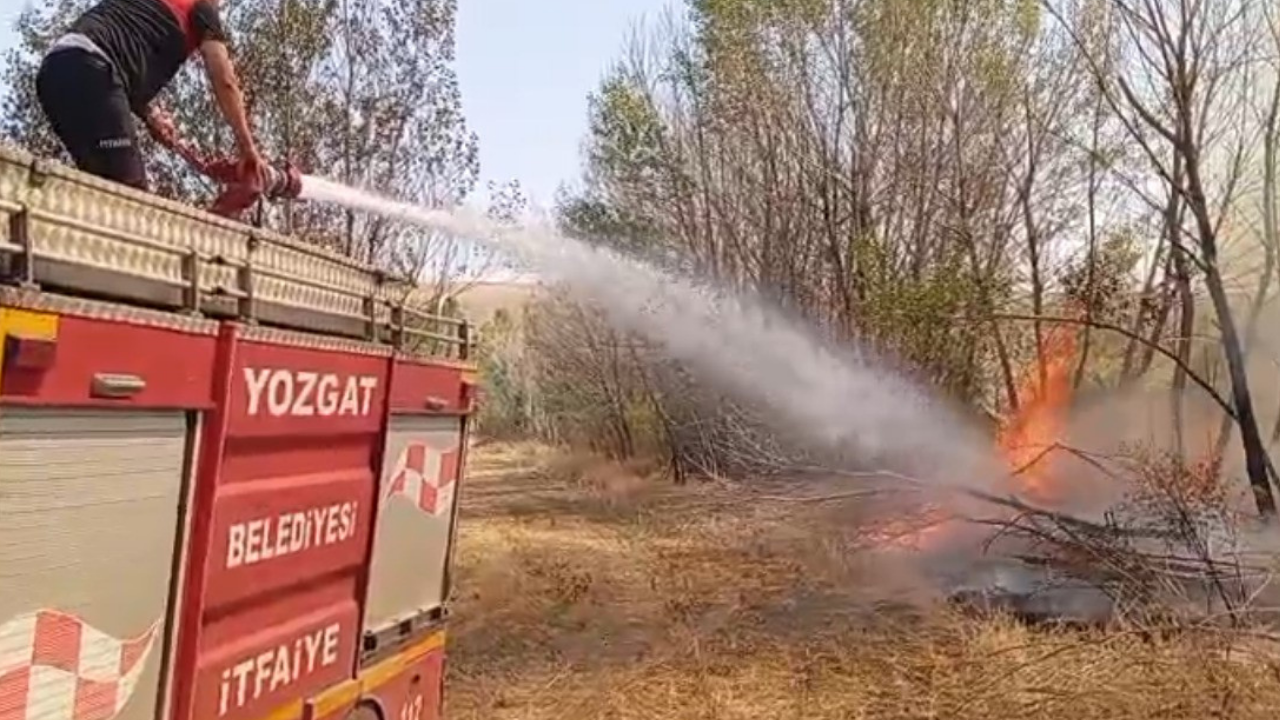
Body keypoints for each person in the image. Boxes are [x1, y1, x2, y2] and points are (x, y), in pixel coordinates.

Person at [34, 0, 265, 192]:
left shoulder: (151, 11)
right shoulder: (202, 8)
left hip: (56, 72)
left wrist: (150, 115)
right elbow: (225, 80)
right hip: (92, 70)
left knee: (104, 188)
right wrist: (248, 149)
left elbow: (123, 55)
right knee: (132, 198)